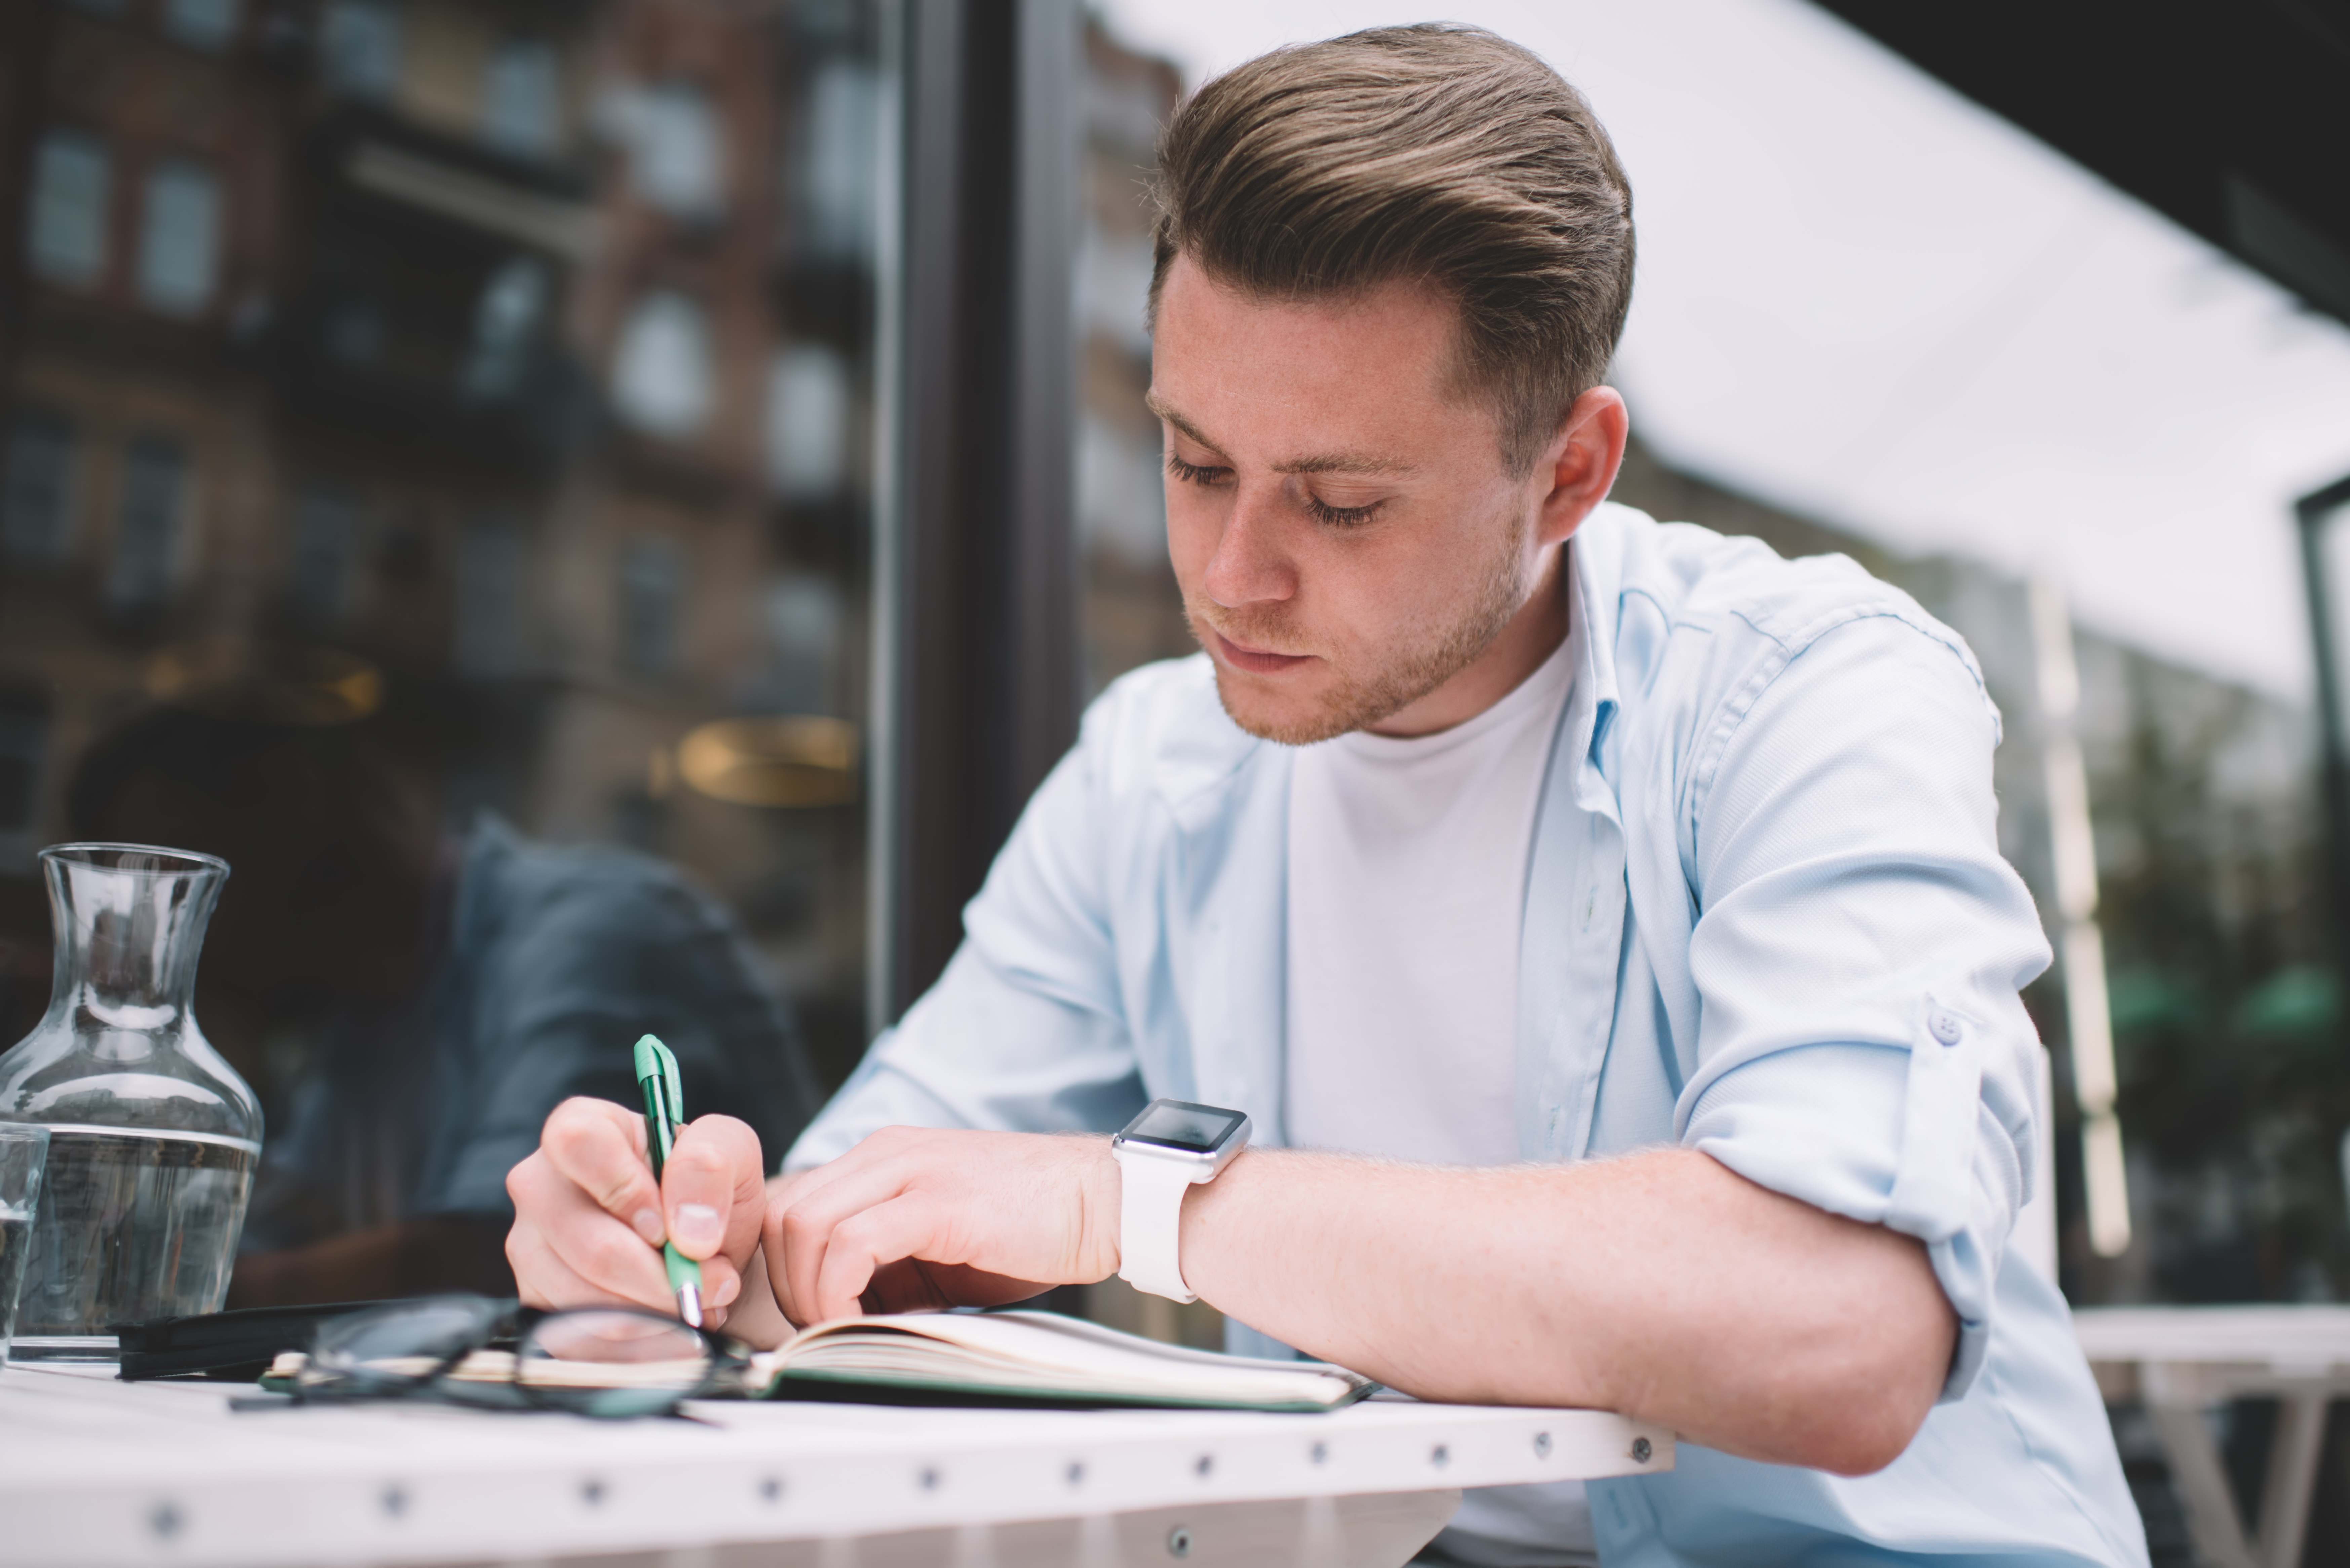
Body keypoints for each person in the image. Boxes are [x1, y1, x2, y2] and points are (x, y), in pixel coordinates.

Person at [504, 25, 2145, 1565]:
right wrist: (688, 1251)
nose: (1230, 576)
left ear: (1567, 470)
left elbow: (1837, 1330)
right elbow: (847, 1223)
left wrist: (1134, 1203)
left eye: (1340, 503)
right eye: (1193, 460)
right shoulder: (1154, 774)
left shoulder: (1808, 688)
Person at [67, 703, 821, 1305]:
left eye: (198, 894)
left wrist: (148, 1286)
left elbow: (489, 1249)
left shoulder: (598, 925)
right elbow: (274, 1235)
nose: (192, 947)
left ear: (289, 794)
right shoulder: (361, 1020)